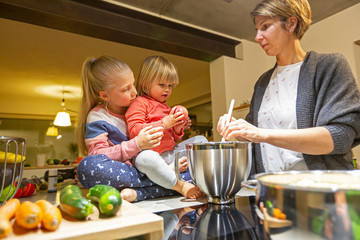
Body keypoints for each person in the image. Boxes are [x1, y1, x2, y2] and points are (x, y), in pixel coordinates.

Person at [217, 0, 360, 173]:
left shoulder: (329, 66)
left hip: (319, 192)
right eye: (257, 29)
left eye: (265, 26)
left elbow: (340, 136)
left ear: (291, 23)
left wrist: (262, 134)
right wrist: (236, 129)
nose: (257, 37)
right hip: (271, 191)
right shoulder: (263, 82)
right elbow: (252, 135)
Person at [76, 56, 192, 202]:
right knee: (87, 167)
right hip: (128, 171)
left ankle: (142, 191)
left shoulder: (141, 106)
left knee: (199, 153)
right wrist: (136, 144)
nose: (134, 92)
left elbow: (166, 140)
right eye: (126, 89)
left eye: (133, 85)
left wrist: (176, 128)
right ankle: (170, 177)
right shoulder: (98, 116)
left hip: (153, 163)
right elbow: (97, 154)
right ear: (104, 95)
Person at [125, 55, 207, 199]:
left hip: (171, 153)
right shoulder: (139, 103)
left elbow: (173, 138)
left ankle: (203, 181)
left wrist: (177, 127)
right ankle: (177, 181)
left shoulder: (166, 107)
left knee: (201, 140)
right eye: (162, 85)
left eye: (170, 86)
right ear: (145, 84)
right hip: (152, 155)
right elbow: (134, 131)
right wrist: (165, 123)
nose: (167, 90)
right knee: (145, 158)